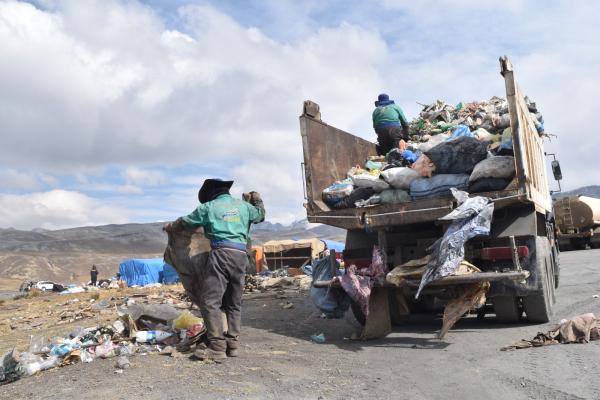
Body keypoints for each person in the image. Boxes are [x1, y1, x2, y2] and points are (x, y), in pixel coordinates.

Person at [167, 178, 265, 362]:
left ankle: (217, 347)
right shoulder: (243, 207)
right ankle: (233, 345)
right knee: (234, 303)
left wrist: (172, 226)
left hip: (221, 254)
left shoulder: (209, 207)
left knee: (211, 301)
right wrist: (257, 200)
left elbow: (187, 222)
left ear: (210, 194)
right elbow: (260, 215)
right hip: (241, 256)